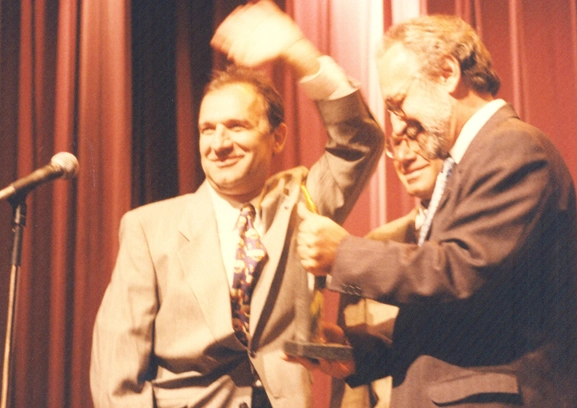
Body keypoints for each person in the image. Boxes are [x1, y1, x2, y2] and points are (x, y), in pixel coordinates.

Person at [89, 1, 383, 407]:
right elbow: (116, 372)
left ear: (277, 137)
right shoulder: (148, 227)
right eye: (207, 129)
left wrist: (300, 53)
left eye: (237, 126)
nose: (219, 143)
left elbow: (359, 142)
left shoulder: (304, 203)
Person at [295, 14, 577, 408]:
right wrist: (355, 354)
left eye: (398, 104)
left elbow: (458, 270)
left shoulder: (514, 149)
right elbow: (458, 325)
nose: (397, 126)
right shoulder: (467, 163)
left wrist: (342, 253)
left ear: (448, 72)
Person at [332, 150, 443, 408]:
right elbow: (354, 394)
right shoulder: (373, 246)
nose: (405, 156)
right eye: (396, 143)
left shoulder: (480, 244)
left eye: (417, 135)